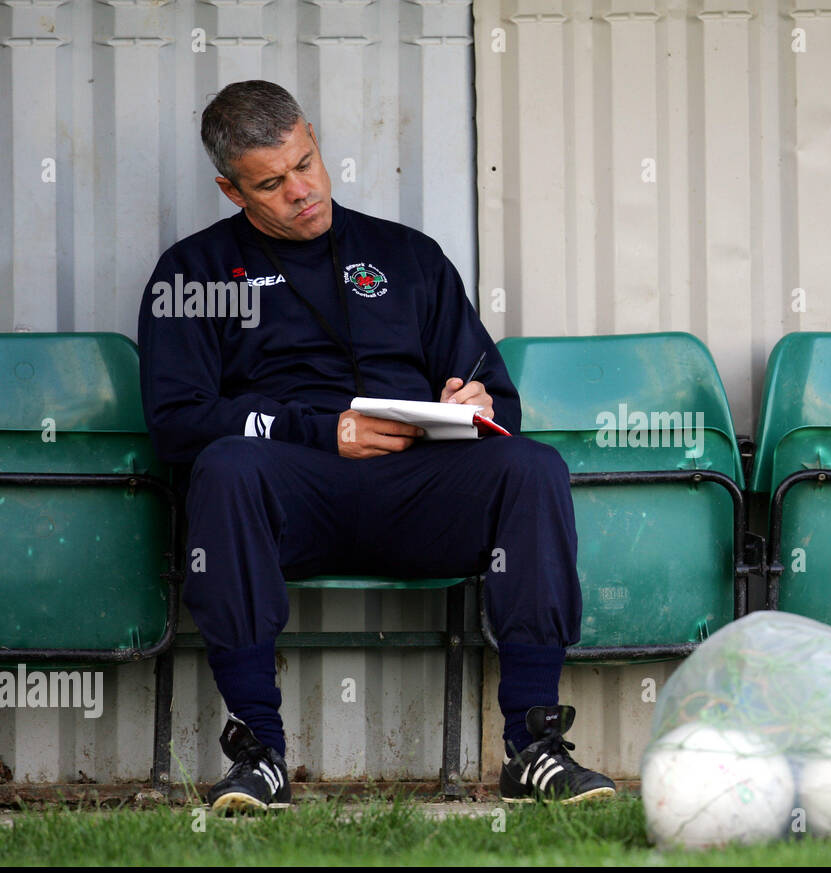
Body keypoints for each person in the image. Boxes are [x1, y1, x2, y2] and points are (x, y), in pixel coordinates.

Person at [137, 79, 614, 812]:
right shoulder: (194, 274)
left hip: (418, 494)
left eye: (306, 162)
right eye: (272, 182)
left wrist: (475, 403)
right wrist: (317, 428)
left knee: (532, 467)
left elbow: (503, 401)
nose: (301, 191)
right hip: (291, 501)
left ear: (315, 140)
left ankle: (534, 746)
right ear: (232, 191)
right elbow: (177, 422)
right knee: (226, 467)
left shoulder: (406, 256)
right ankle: (261, 753)